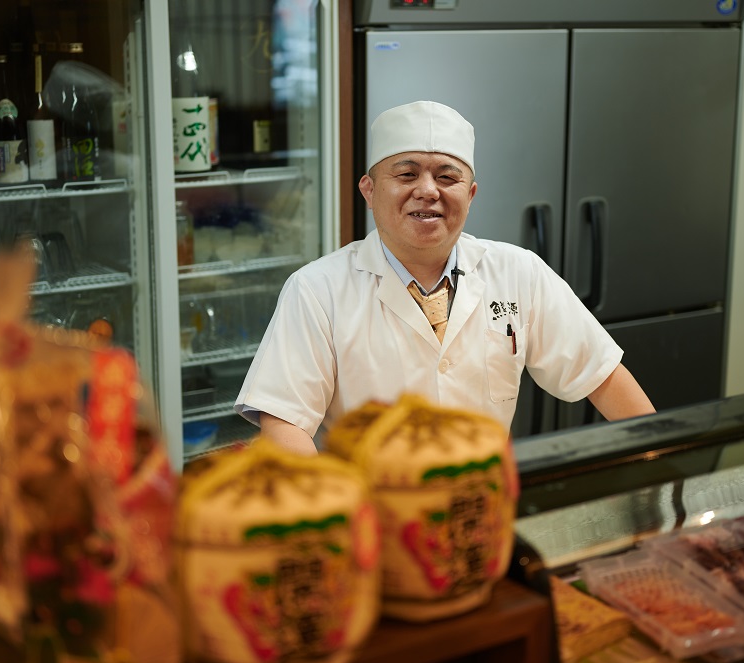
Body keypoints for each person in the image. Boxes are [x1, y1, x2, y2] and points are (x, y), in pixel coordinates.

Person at [235, 100, 655, 454]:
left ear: (469, 194)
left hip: (484, 510)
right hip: (370, 523)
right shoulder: (317, 290)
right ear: (369, 190)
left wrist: (663, 461)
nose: (428, 191)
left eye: (447, 177)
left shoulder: (518, 271)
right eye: (406, 174)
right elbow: (284, 420)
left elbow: (603, 376)